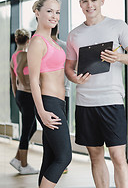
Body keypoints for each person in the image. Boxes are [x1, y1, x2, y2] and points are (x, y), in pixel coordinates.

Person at [65, 0, 128, 188]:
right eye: (84, 1)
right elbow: (68, 67)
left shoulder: (118, 26)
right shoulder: (74, 34)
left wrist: (118, 57)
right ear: (80, 4)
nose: (89, 5)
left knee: (118, 156)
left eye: (93, 0)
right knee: (96, 157)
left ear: (102, 1)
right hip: (85, 103)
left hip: (111, 101)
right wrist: (74, 78)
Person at [27, 0, 72, 188]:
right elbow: (33, 81)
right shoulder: (37, 42)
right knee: (64, 157)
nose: (54, 16)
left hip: (59, 103)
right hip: (48, 104)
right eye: (49, 11)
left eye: (57, 12)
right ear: (37, 13)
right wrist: (42, 112)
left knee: (51, 157)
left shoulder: (52, 41)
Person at [10, 28, 38, 175]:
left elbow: (12, 79)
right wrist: (27, 86)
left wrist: (17, 94)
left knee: (31, 128)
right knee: (27, 129)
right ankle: (24, 165)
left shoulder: (13, 56)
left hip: (21, 95)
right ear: (28, 41)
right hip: (26, 95)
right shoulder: (24, 55)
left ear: (16, 40)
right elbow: (20, 72)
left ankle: (17, 158)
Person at [51, 24, 70, 174]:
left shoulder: (40, 44)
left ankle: (57, 159)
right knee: (63, 125)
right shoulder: (63, 46)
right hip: (61, 94)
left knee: (52, 129)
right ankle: (61, 161)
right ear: (58, 30)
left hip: (58, 94)